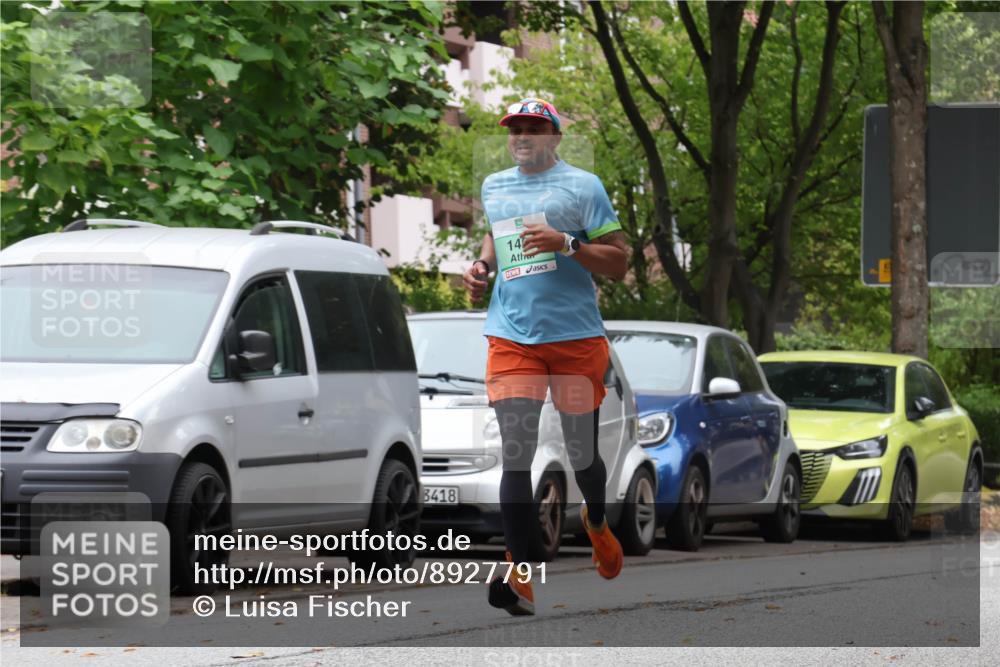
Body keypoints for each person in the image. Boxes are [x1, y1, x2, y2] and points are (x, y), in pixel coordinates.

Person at [462, 97, 629, 616]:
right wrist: (481, 266)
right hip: (512, 337)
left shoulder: (584, 187)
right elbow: (496, 234)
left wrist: (566, 243)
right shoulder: (494, 185)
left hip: (576, 339)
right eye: (515, 129)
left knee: (582, 457)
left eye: (535, 127)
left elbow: (620, 262)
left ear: (555, 137)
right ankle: (520, 575)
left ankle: (597, 523)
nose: (522, 136)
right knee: (517, 450)